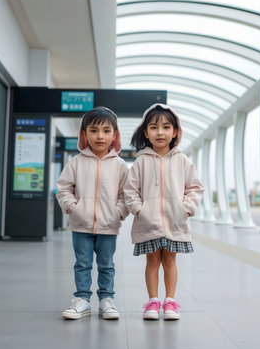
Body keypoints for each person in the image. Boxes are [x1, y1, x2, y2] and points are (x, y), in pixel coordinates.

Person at [124, 103, 204, 320]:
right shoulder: (140, 162)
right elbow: (130, 190)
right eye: (154, 127)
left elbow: (195, 187)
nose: (160, 132)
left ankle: (170, 302)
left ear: (175, 131)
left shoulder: (183, 161)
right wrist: (140, 211)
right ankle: (152, 302)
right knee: (152, 261)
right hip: (147, 222)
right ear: (146, 133)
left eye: (166, 127)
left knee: (170, 261)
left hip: (175, 221)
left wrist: (186, 208)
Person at [57, 106, 129, 320]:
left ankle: (107, 300)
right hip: (81, 223)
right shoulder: (76, 163)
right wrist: (73, 209)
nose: (100, 136)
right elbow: (63, 189)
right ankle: (82, 300)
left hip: (109, 224)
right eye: (94, 130)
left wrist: (118, 213)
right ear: (85, 134)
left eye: (106, 131)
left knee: (107, 264)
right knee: (82, 264)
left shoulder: (121, 165)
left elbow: (126, 194)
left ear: (114, 135)